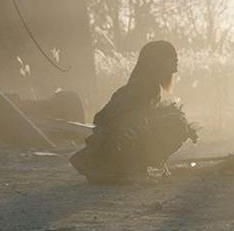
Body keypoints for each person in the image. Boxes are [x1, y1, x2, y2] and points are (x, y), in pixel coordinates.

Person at [69, 40, 196, 184]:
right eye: (173, 61)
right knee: (176, 125)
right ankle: (128, 169)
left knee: (177, 122)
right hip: (116, 149)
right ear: (159, 63)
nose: (176, 69)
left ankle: (130, 168)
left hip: (117, 147)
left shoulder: (146, 86)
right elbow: (112, 120)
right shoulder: (144, 88)